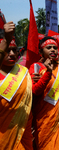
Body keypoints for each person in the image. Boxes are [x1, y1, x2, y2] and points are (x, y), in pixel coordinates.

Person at [29, 36, 59, 149]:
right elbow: (35, 91)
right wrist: (48, 72)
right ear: (40, 51)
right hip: (44, 115)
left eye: (55, 47)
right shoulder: (36, 67)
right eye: (48, 47)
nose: (53, 50)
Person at [0, 22, 33, 150]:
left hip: (22, 135)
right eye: (7, 50)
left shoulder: (24, 71)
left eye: (14, 50)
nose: (12, 54)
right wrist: (6, 40)